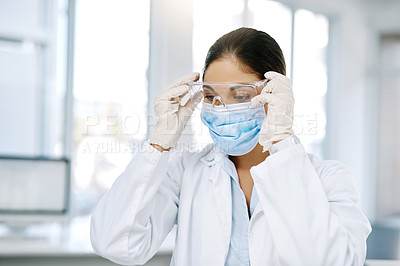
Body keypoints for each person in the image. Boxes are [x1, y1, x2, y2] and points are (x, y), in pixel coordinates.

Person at [90, 27, 371, 266]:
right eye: (212, 97)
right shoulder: (185, 171)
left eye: (240, 95)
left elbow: (333, 261)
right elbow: (116, 242)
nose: (222, 109)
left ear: (275, 93)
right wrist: (159, 143)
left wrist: (283, 143)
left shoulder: (328, 179)